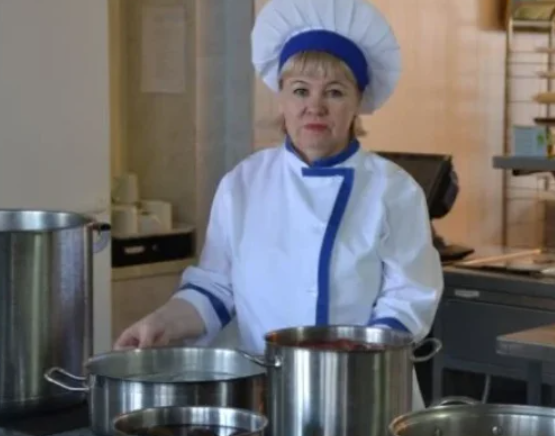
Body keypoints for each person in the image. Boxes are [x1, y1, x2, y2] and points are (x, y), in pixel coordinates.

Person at [114, 0, 444, 396]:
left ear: (358, 101)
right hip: (265, 390)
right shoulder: (242, 184)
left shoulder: (394, 190)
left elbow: (409, 297)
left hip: (364, 391)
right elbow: (215, 289)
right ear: (281, 98)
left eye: (334, 92)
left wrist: (358, 362)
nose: (314, 107)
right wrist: (160, 323)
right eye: (300, 90)